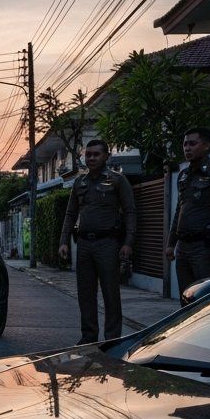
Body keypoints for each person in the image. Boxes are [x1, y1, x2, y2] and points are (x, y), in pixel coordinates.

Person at [58, 140, 136, 343]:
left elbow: (130, 213)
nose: (91, 158)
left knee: (111, 293)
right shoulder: (79, 182)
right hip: (83, 244)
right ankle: (88, 337)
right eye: (88, 154)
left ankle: (111, 339)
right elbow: (70, 213)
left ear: (106, 156)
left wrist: (128, 242)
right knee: (85, 294)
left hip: (108, 244)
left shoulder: (118, 180)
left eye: (96, 154)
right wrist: (64, 241)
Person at [165, 128, 210, 300]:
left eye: (192, 143)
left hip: (204, 247)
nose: (187, 148)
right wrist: (170, 243)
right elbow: (179, 210)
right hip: (183, 246)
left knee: (206, 299)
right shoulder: (184, 175)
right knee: (186, 298)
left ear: (206, 146)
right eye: (185, 144)